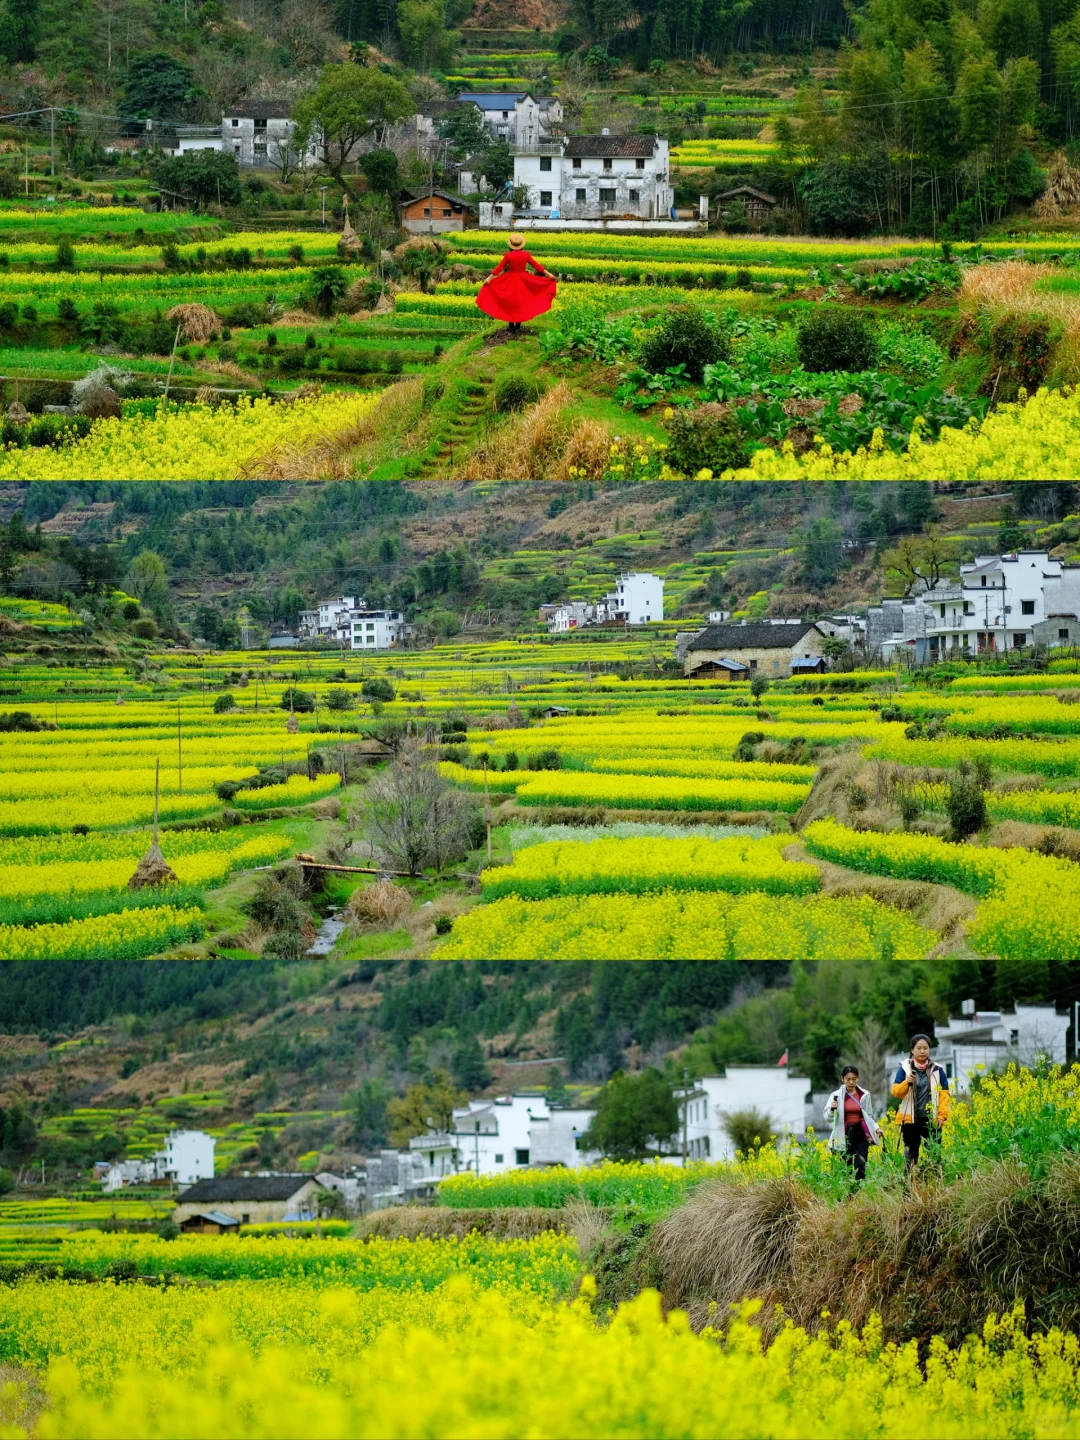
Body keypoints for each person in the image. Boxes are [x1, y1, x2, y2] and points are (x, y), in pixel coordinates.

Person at [891, 1033, 950, 1170]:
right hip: (911, 1120)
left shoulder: (937, 1070)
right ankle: (908, 1187)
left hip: (931, 1119)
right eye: (919, 1048)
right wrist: (907, 1082)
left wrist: (942, 1116)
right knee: (910, 1155)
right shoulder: (905, 1069)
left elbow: (945, 1095)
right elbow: (896, 1092)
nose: (922, 1051)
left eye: (926, 1048)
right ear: (912, 1050)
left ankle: (934, 1184)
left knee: (934, 1153)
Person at [475, 234, 557, 333]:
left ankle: (511, 326)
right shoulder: (526, 255)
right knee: (520, 302)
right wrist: (549, 275)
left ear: (510, 245)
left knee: (510, 301)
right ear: (522, 245)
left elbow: (499, 268)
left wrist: (489, 278)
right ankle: (518, 327)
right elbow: (537, 266)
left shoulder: (508, 255)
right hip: (524, 281)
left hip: (509, 280)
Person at [824, 1065, 883, 1182]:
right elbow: (827, 1118)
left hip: (860, 1134)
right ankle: (844, 1197)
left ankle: (857, 1193)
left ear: (858, 1078)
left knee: (860, 1166)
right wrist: (832, 1108)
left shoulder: (864, 1095)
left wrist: (876, 1128)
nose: (851, 1082)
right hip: (842, 1133)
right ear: (842, 1079)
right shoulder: (836, 1095)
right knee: (843, 1168)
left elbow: (868, 1116)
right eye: (848, 1079)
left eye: (854, 1079)